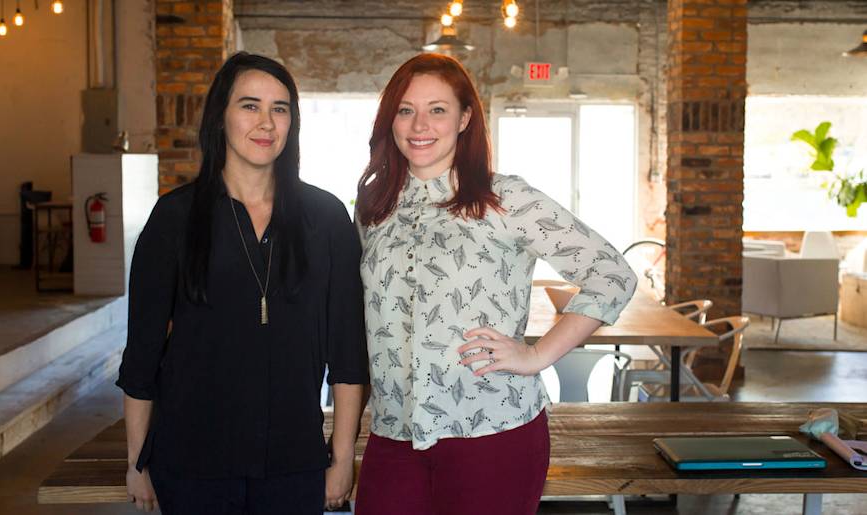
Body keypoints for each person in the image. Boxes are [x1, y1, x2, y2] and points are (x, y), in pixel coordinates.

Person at [353, 53, 637, 515]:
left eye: (438, 109)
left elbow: (612, 274)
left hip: (492, 432)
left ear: (465, 118)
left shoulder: (506, 199)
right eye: (406, 110)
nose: (419, 124)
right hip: (394, 433)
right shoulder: (373, 207)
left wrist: (537, 354)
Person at [117, 52, 369, 515]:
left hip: (294, 462)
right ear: (220, 117)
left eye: (280, 108)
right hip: (191, 463)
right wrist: (138, 460)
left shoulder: (326, 218)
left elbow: (348, 354)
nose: (266, 122)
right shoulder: (174, 217)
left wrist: (341, 455)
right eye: (249, 105)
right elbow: (143, 353)